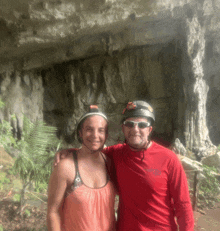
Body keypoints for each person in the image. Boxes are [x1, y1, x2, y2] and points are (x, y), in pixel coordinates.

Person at [55, 100, 194, 231]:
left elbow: (183, 205)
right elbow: (91, 152)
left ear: (150, 129)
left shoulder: (169, 159)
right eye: (129, 124)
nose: (135, 129)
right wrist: (70, 151)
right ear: (123, 128)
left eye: (142, 125)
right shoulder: (116, 153)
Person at [47, 105, 116, 231]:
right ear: (80, 133)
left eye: (101, 130)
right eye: (89, 129)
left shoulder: (111, 164)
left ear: (106, 135)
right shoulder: (66, 167)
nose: (95, 135)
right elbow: (53, 212)